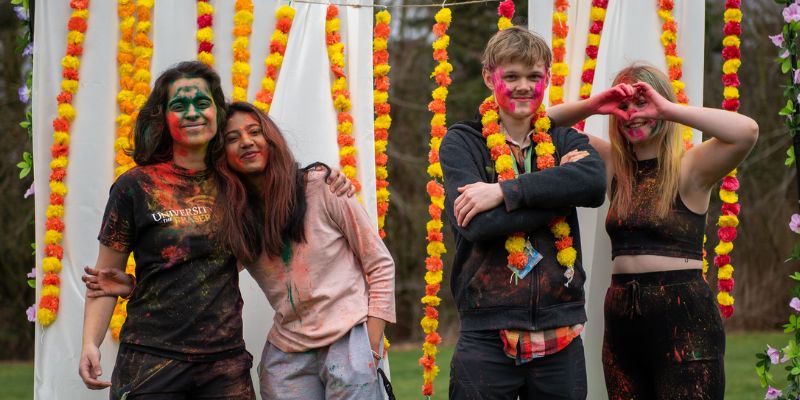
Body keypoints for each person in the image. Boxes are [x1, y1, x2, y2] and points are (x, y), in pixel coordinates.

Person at [85, 101, 395, 400]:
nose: (246, 142)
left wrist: (369, 344)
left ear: (270, 139)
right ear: (223, 155)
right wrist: (136, 286)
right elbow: (205, 278)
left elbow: (379, 264)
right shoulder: (234, 218)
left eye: (254, 132)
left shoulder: (322, 187)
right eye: (233, 138)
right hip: (288, 357)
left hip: (349, 341)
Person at [548, 64, 759, 399]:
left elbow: (746, 131)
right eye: (625, 107)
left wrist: (668, 109)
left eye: (643, 104)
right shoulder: (612, 164)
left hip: (684, 321)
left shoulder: (690, 167)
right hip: (621, 323)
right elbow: (539, 127)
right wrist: (595, 104)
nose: (633, 115)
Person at [439, 26, 606, 399]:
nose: (523, 86)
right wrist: (561, 193)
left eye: (534, 76)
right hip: (486, 333)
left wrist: (503, 191)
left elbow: (593, 185)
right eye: (511, 76)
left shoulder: (563, 138)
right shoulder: (463, 142)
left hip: (559, 333)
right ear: (489, 76)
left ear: (546, 77)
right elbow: (479, 224)